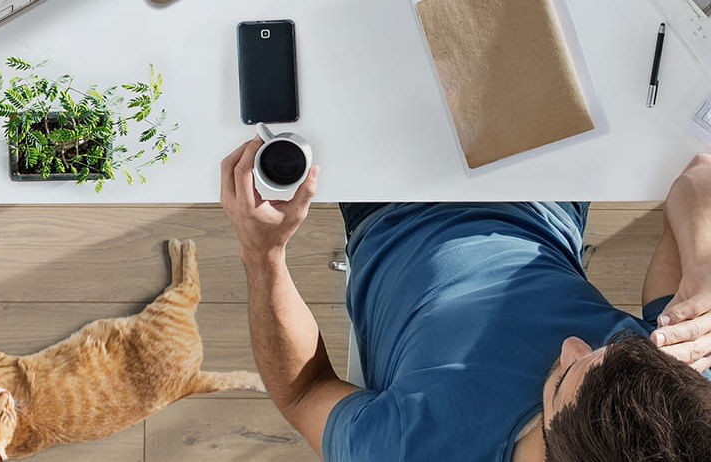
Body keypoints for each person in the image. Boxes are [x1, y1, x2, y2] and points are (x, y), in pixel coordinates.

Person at [220, 136, 711, 462]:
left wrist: (262, 253)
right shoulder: (673, 388)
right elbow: (697, 173)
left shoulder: (411, 450)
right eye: (607, 348)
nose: (571, 346)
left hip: (390, 204)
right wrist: (702, 262)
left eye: (561, 381)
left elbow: (303, 392)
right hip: (544, 191)